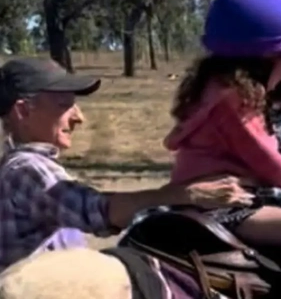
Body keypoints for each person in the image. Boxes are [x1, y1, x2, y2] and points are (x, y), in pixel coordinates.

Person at [0, 57, 250, 273]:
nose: (79, 117)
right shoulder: (26, 170)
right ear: (23, 111)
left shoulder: (27, 167)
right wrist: (186, 194)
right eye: (64, 105)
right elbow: (98, 211)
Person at [164, 0, 281, 247]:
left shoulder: (222, 90)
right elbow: (274, 168)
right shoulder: (234, 102)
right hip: (221, 206)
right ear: (266, 57)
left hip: (228, 199)